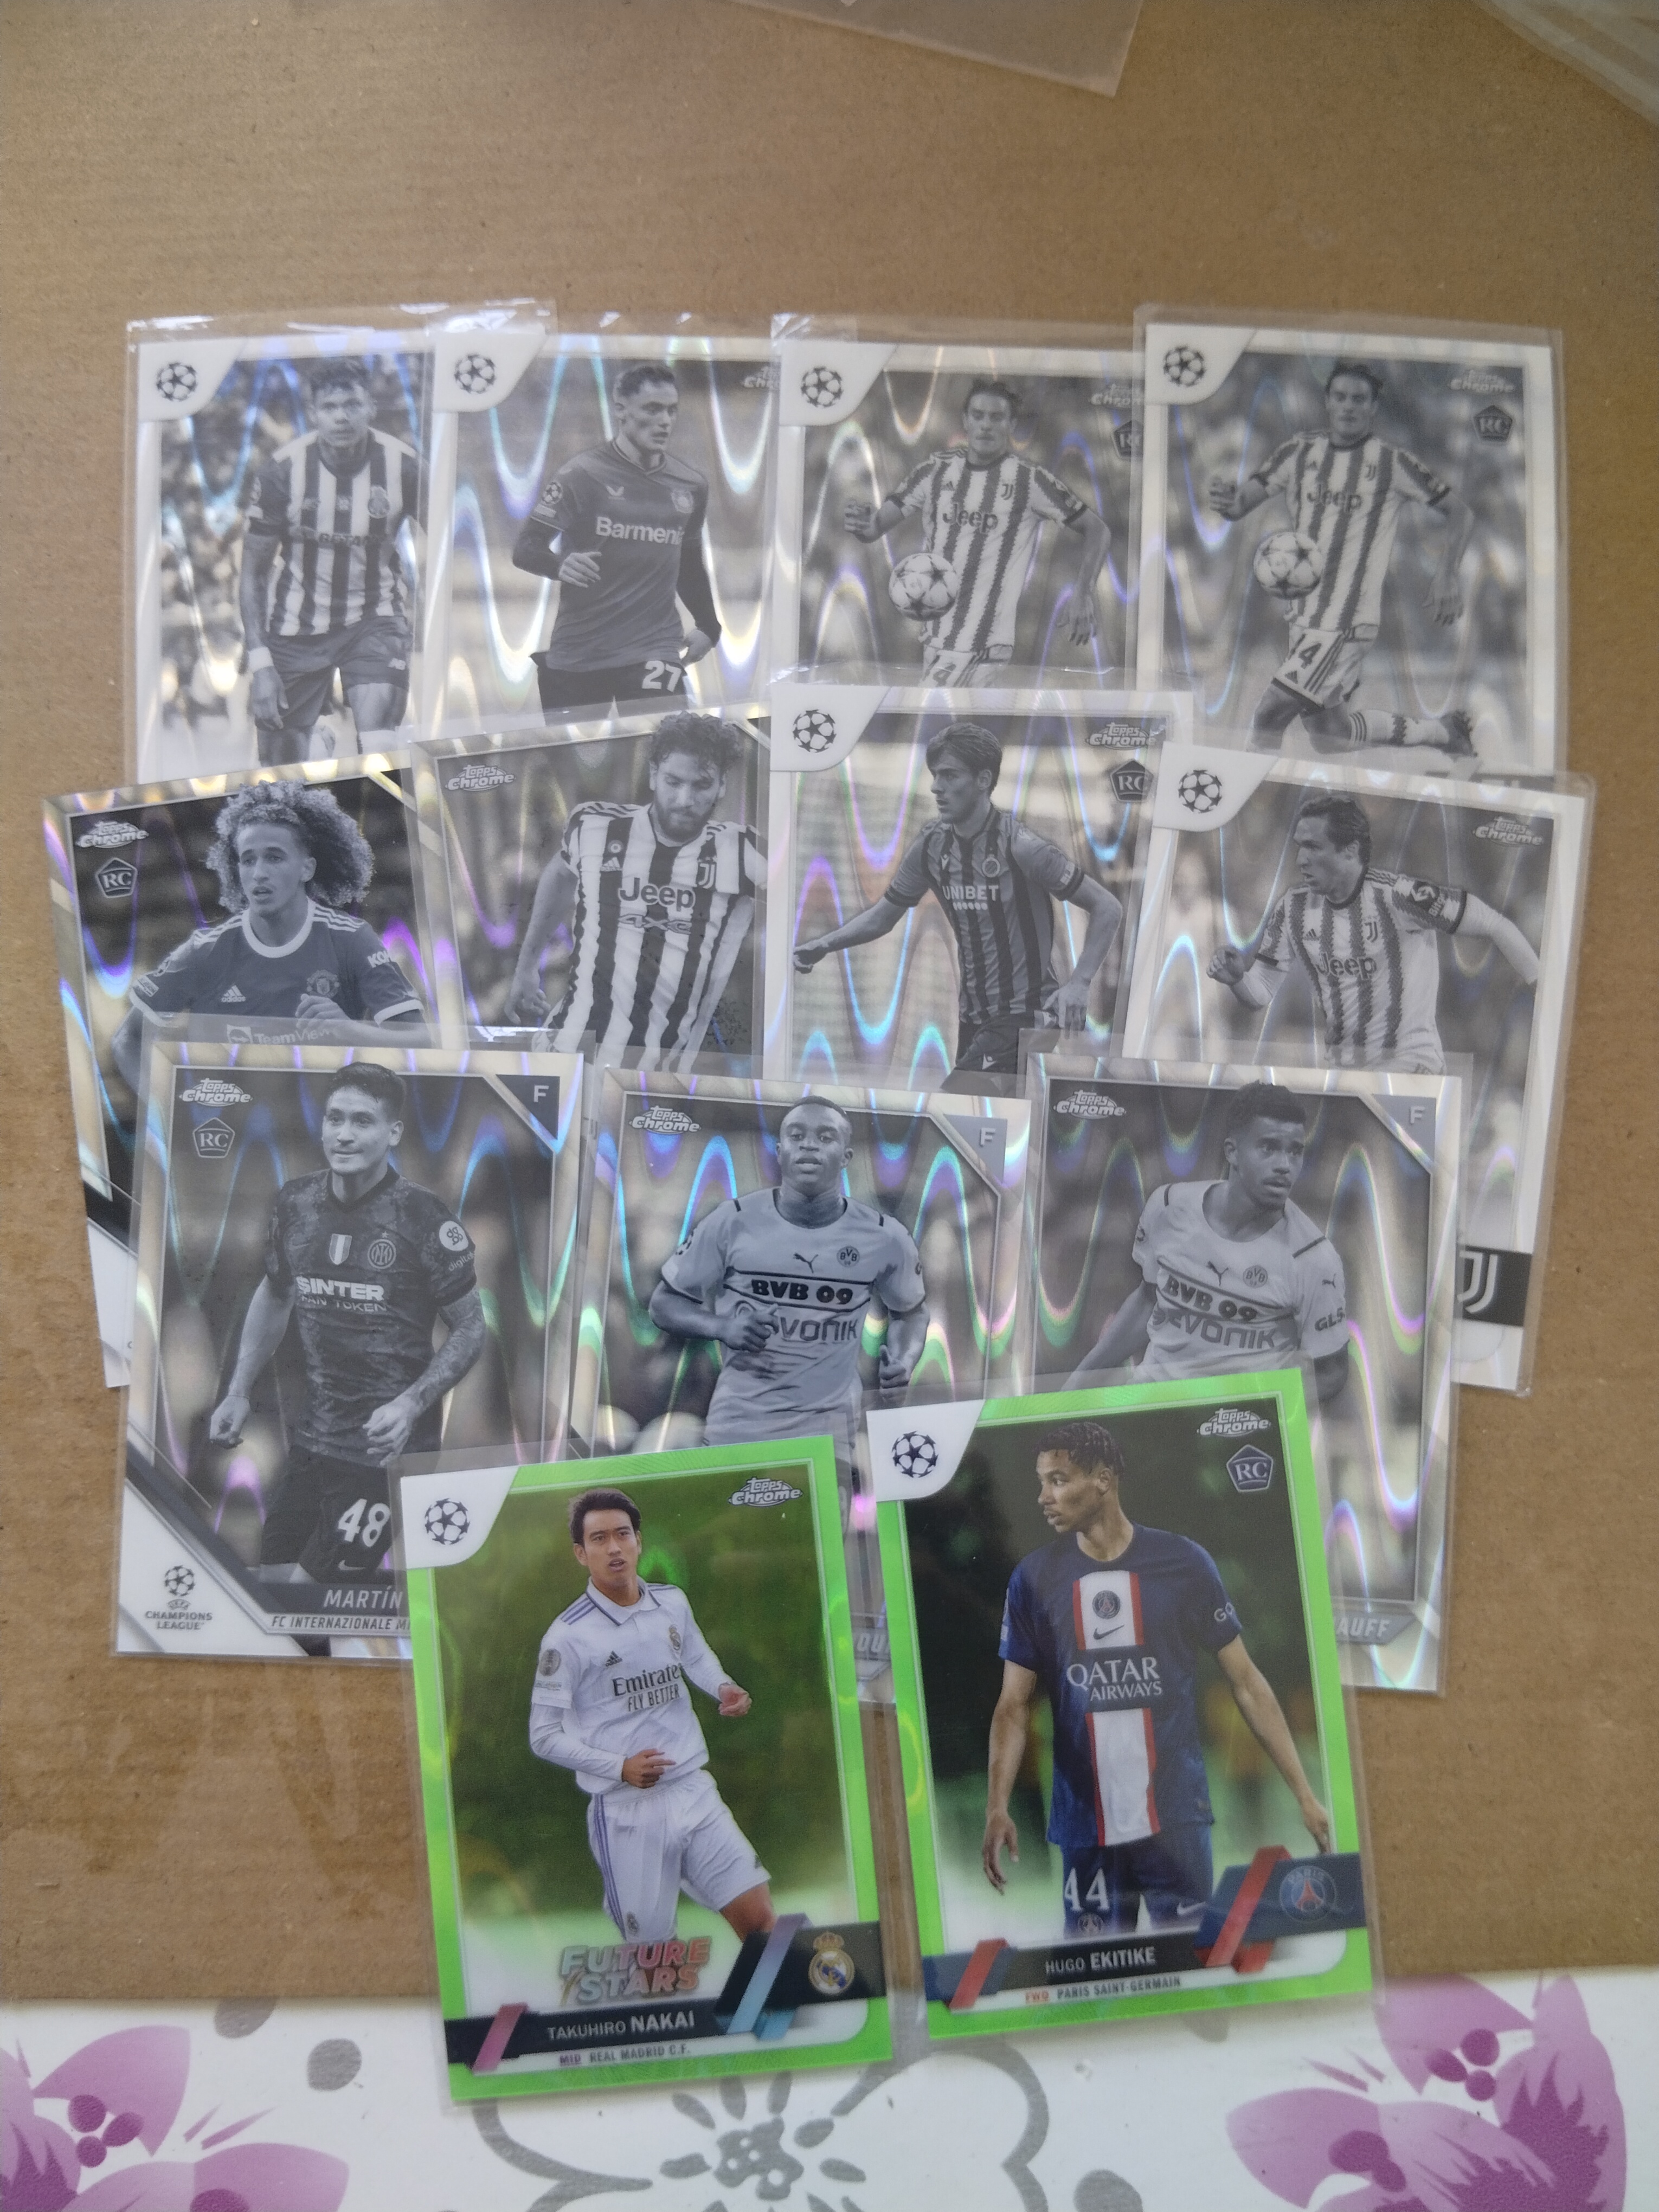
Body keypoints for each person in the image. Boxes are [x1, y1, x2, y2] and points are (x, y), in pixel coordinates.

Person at [982, 1421, 1331, 1937]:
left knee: (1193, 1965)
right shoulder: (1033, 1579)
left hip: (1176, 1821)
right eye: (1041, 1482)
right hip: (1086, 1826)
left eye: (1058, 1480)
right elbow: (1013, 1705)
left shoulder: (1184, 1564)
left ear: (1103, 1480)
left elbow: (1246, 1682)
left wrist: (1304, 1794)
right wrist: (997, 1807)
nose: (1043, 1497)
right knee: (1096, 1973)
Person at [207, 1064, 486, 1583]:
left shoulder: (424, 1218)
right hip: (314, 1442)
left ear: (393, 1133)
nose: (344, 1134)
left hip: (388, 1455)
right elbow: (275, 1291)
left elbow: (471, 1328)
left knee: (311, 1598)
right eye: (335, 1118)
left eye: (362, 1121)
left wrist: (411, 1405)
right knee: (273, 1591)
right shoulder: (296, 1204)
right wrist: (238, 1390)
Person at [792, 721, 1122, 1086]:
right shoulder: (932, 847)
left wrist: (1079, 983)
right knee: (983, 1115)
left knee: (957, 1100)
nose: (937, 787)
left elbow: (1107, 907)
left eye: (950, 776)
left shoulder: (1022, 847)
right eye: (936, 776)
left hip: (1027, 1016)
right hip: (975, 1020)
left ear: (983, 780)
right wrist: (825, 944)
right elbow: (884, 917)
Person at [530, 1487, 774, 1946]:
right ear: (581, 1554)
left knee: (762, 1921)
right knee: (654, 1958)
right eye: (599, 1539)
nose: (615, 1548)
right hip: (627, 1810)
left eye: (623, 1534)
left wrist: (724, 1687)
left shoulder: (671, 1601)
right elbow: (543, 1736)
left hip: (693, 1789)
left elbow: (696, 1658)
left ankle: (771, 1997)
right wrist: (619, 1767)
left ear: (639, 1541)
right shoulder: (567, 1637)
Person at [1208, 361, 1475, 758]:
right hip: (1304, 617)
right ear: (1327, 402)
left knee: (1268, 715)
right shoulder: (1297, 453)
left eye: (1359, 399)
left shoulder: (1392, 463)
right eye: (1341, 397)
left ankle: (1246, 786)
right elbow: (1241, 503)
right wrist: (1227, 501)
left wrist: (1447, 573)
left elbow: (1460, 513)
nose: (1349, 406)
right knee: (1330, 735)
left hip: (1346, 621)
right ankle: (1444, 733)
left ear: (1373, 408)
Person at [647, 1096, 928, 1464]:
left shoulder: (885, 1236)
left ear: (846, 1156)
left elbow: (911, 1312)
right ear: (780, 1152)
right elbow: (664, 1304)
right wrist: (722, 1327)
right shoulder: (730, 1221)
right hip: (739, 1428)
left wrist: (904, 1360)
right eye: (797, 1136)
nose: (809, 1145)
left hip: (828, 1436)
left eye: (825, 1137)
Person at [111, 783, 424, 1096]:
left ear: (307, 868)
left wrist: (351, 1031)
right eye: (248, 860)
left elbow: (422, 1040)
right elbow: (128, 1039)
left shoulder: (351, 940)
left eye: (274, 858)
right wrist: (165, 1110)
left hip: (323, 1119)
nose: (259, 873)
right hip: (226, 1122)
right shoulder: (205, 950)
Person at [1207, 791, 1540, 1073]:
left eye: (1313, 847)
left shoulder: (1401, 897)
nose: (1301, 860)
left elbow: (1494, 923)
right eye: (1299, 848)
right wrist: (1237, 978)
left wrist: (1541, 987)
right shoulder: (1293, 908)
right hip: (1346, 1073)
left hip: (1409, 1065)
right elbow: (1260, 992)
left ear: (1350, 851)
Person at [503, 712, 760, 1069]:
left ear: (721, 786)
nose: (684, 799)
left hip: (659, 1075)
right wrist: (527, 967)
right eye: (673, 781)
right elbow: (561, 873)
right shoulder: (595, 828)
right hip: (568, 1054)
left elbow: (800, 892)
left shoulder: (743, 853)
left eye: (701, 785)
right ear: (653, 775)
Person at [1067, 1082, 1349, 1403]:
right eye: (1269, 1148)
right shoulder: (1169, 1206)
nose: (1284, 1165)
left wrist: (1256, 1411)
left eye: (1295, 1151)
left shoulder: (1314, 1258)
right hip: (1150, 1402)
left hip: (1234, 1424)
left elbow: (1331, 1372)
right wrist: (1073, 1389)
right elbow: (1148, 1299)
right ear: (1232, 1152)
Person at [846, 378, 1111, 684]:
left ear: (1011, 425)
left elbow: (1097, 530)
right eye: (978, 416)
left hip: (985, 648)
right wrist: (863, 524)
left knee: (938, 711)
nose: (986, 425)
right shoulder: (935, 471)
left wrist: (1083, 592)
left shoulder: (1029, 481)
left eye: (997, 418)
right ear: (966, 421)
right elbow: (876, 528)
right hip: (935, 640)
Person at [240, 357, 422, 766]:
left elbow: (446, 539)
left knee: (380, 747)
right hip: (297, 624)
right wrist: (260, 664)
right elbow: (253, 573)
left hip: (374, 616)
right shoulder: (282, 473)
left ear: (371, 408)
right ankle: (315, 740)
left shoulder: (404, 467)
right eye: (330, 407)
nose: (342, 417)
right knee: (283, 769)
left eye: (352, 405)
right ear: (313, 414)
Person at [512, 362, 721, 717]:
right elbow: (526, 548)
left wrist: (708, 626)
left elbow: (688, 562)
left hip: (655, 650)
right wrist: (559, 565)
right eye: (652, 410)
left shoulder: (691, 486)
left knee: (664, 743)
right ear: (621, 410)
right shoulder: (581, 475)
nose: (665, 421)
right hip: (580, 653)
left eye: (671, 411)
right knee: (580, 754)